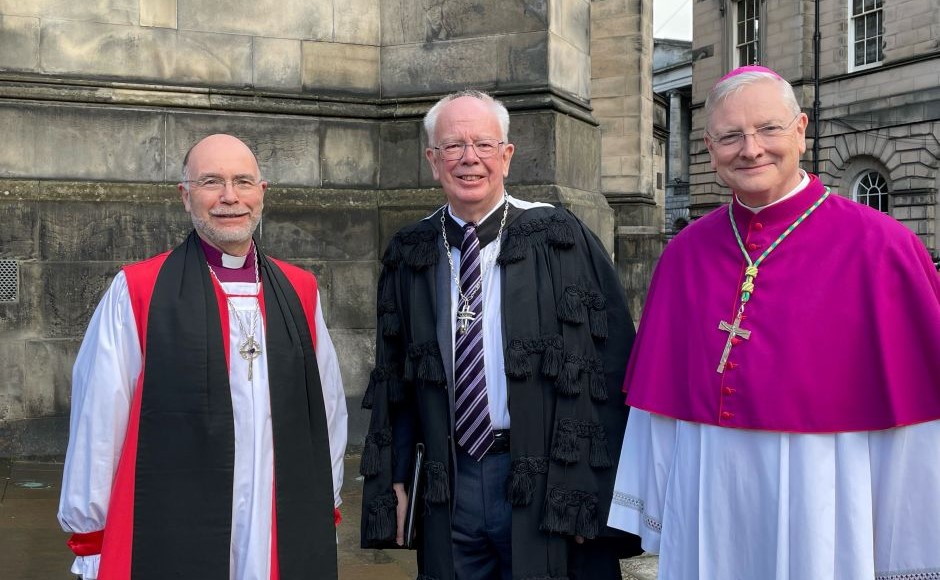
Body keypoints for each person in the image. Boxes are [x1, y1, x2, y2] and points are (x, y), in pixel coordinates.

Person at [608, 66, 940, 579]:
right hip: (710, 489)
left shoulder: (883, 248)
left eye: (768, 128)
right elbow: (658, 407)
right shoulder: (684, 254)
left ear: (801, 131)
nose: (751, 148)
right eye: (730, 136)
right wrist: (652, 497)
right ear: (709, 147)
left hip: (825, 494)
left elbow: (916, 427)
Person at [359, 90, 642, 579]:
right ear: (432, 161)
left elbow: (607, 367)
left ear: (506, 156)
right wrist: (396, 480)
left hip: (543, 474)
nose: (469, 158)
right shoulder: (410, 251)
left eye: (483, 145)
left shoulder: (560, 236)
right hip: (452, 480)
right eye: (452, 147)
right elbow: (394, 379)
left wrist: (590, 489)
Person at [58, 134, 347, 580]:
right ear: (185, 195)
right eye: (212, 182)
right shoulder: (138, 290)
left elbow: (325, 409)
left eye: (243, 182)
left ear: (262, 193)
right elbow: (100, 418)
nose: (230, 197)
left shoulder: (300, 290)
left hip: (276, 511)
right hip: (175, 511)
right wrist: (90, 532)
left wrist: (323, 498)